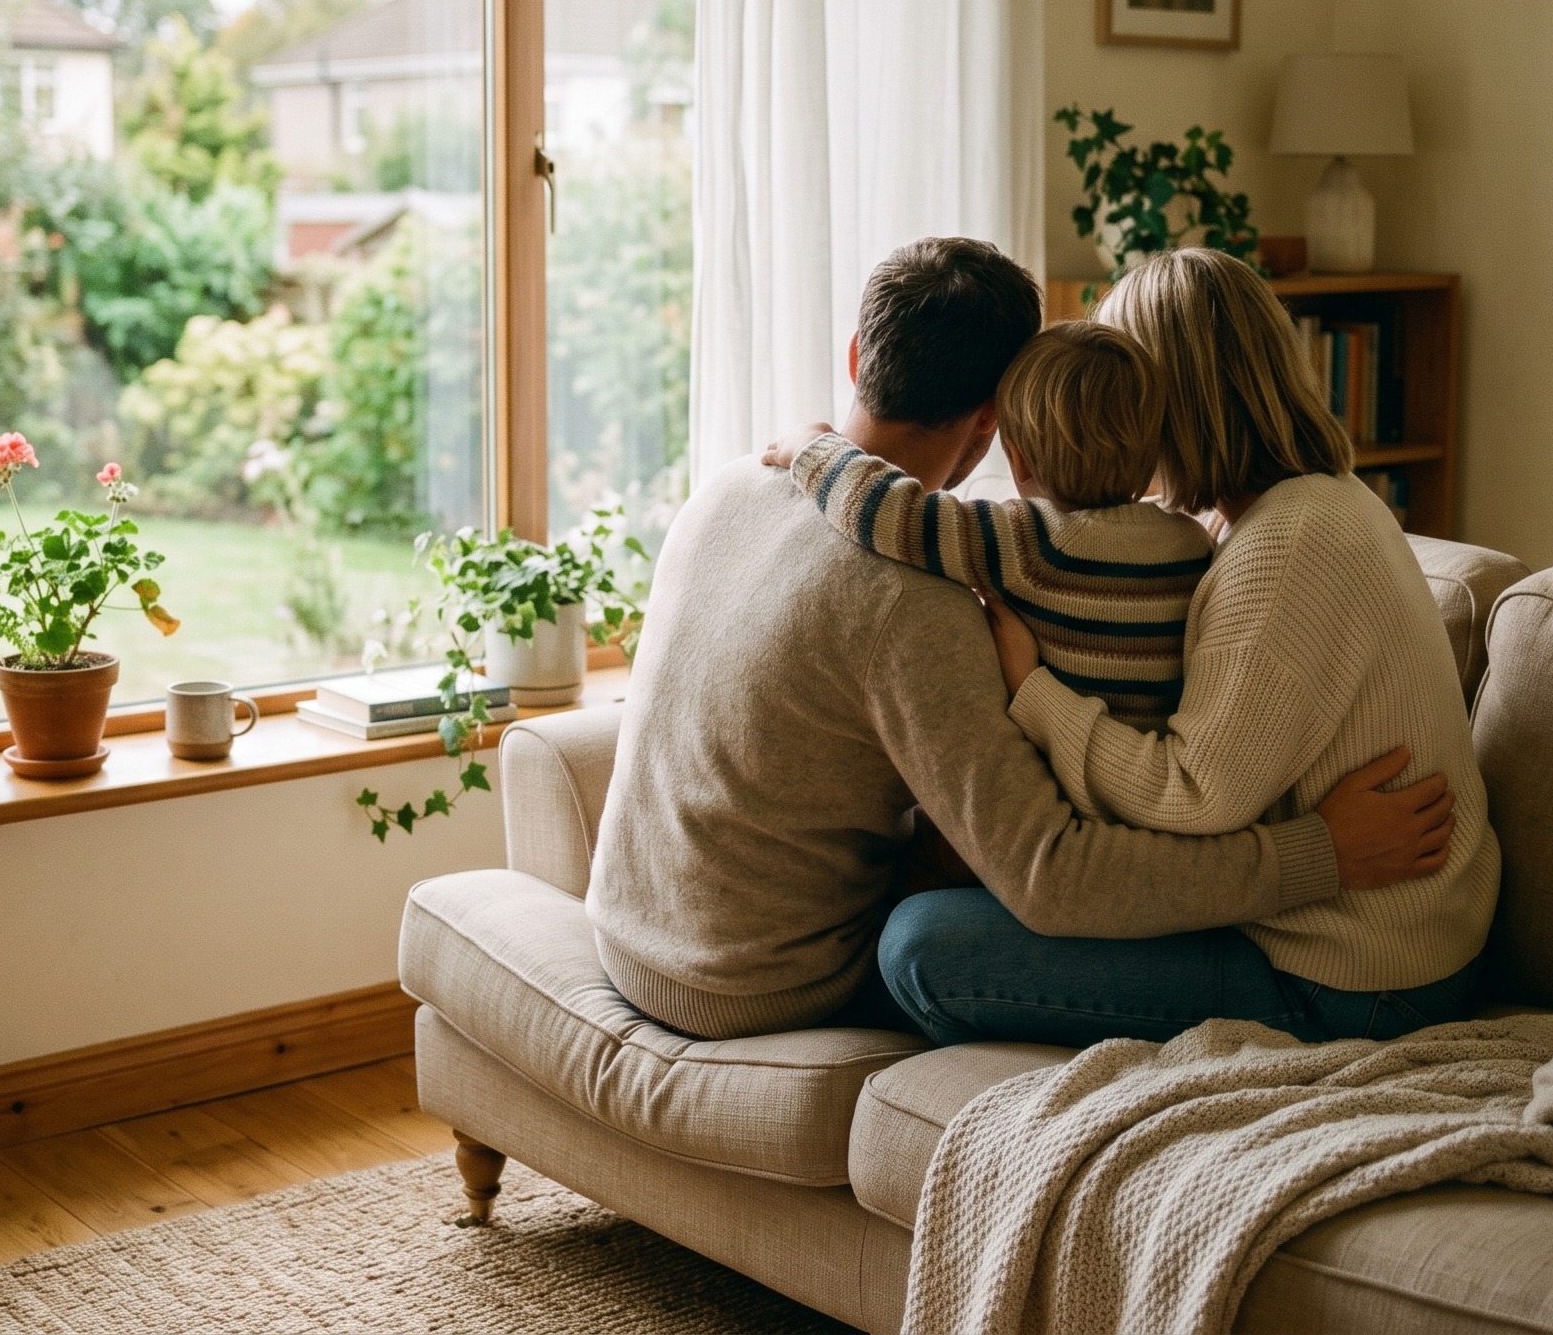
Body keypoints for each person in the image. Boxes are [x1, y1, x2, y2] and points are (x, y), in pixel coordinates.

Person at [583, 236, 1455, 1042]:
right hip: (748, 983)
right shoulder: (929, 596)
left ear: (857, 356)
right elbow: (1059, 869)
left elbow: (1152, 811)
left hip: (625, 933)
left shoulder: (730, 484)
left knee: (943, 882)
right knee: (942, 896)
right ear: (998, 418)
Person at [874, 246, 1500, 1047]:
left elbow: (1193, 796)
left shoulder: (1291, 541)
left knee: (922, 945)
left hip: (1358, 975)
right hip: (1354, 932)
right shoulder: (1280, 512)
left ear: (1170, 395)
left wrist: (1036, 695)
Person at [764, 320, 1212, 739]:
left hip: (1065, 770)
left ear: (1017, 458)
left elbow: (887, 510)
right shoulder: (1193, 543)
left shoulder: (1026, 540)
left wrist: (811, 445)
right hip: (1138, 764)